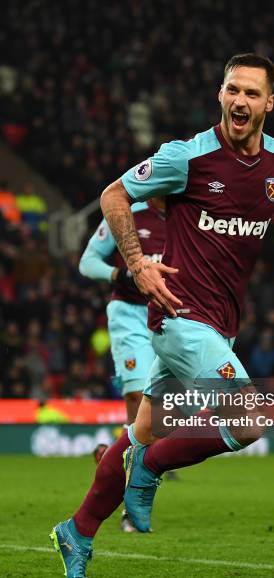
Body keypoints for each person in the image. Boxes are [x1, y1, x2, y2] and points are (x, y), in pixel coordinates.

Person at [50, 53, 274, 578]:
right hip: (178, 318)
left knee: (137, 435)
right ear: (219, 93)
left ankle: (78, 531)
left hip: (220, 323)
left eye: (251, 93)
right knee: (247, 419)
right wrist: (136, 265)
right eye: (232, 90)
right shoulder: (187, 157)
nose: (239, 101)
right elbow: (114, 194)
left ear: (270, 102)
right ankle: (154, 469)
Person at [78, 197, 176, 532]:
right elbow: (88, 263)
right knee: (137, 395)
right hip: (130, 315)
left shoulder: (188, 215)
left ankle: (113, 456)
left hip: (170, 314)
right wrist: (123, 274)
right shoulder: (128, 215)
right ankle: (132, 499)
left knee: (160, 408)